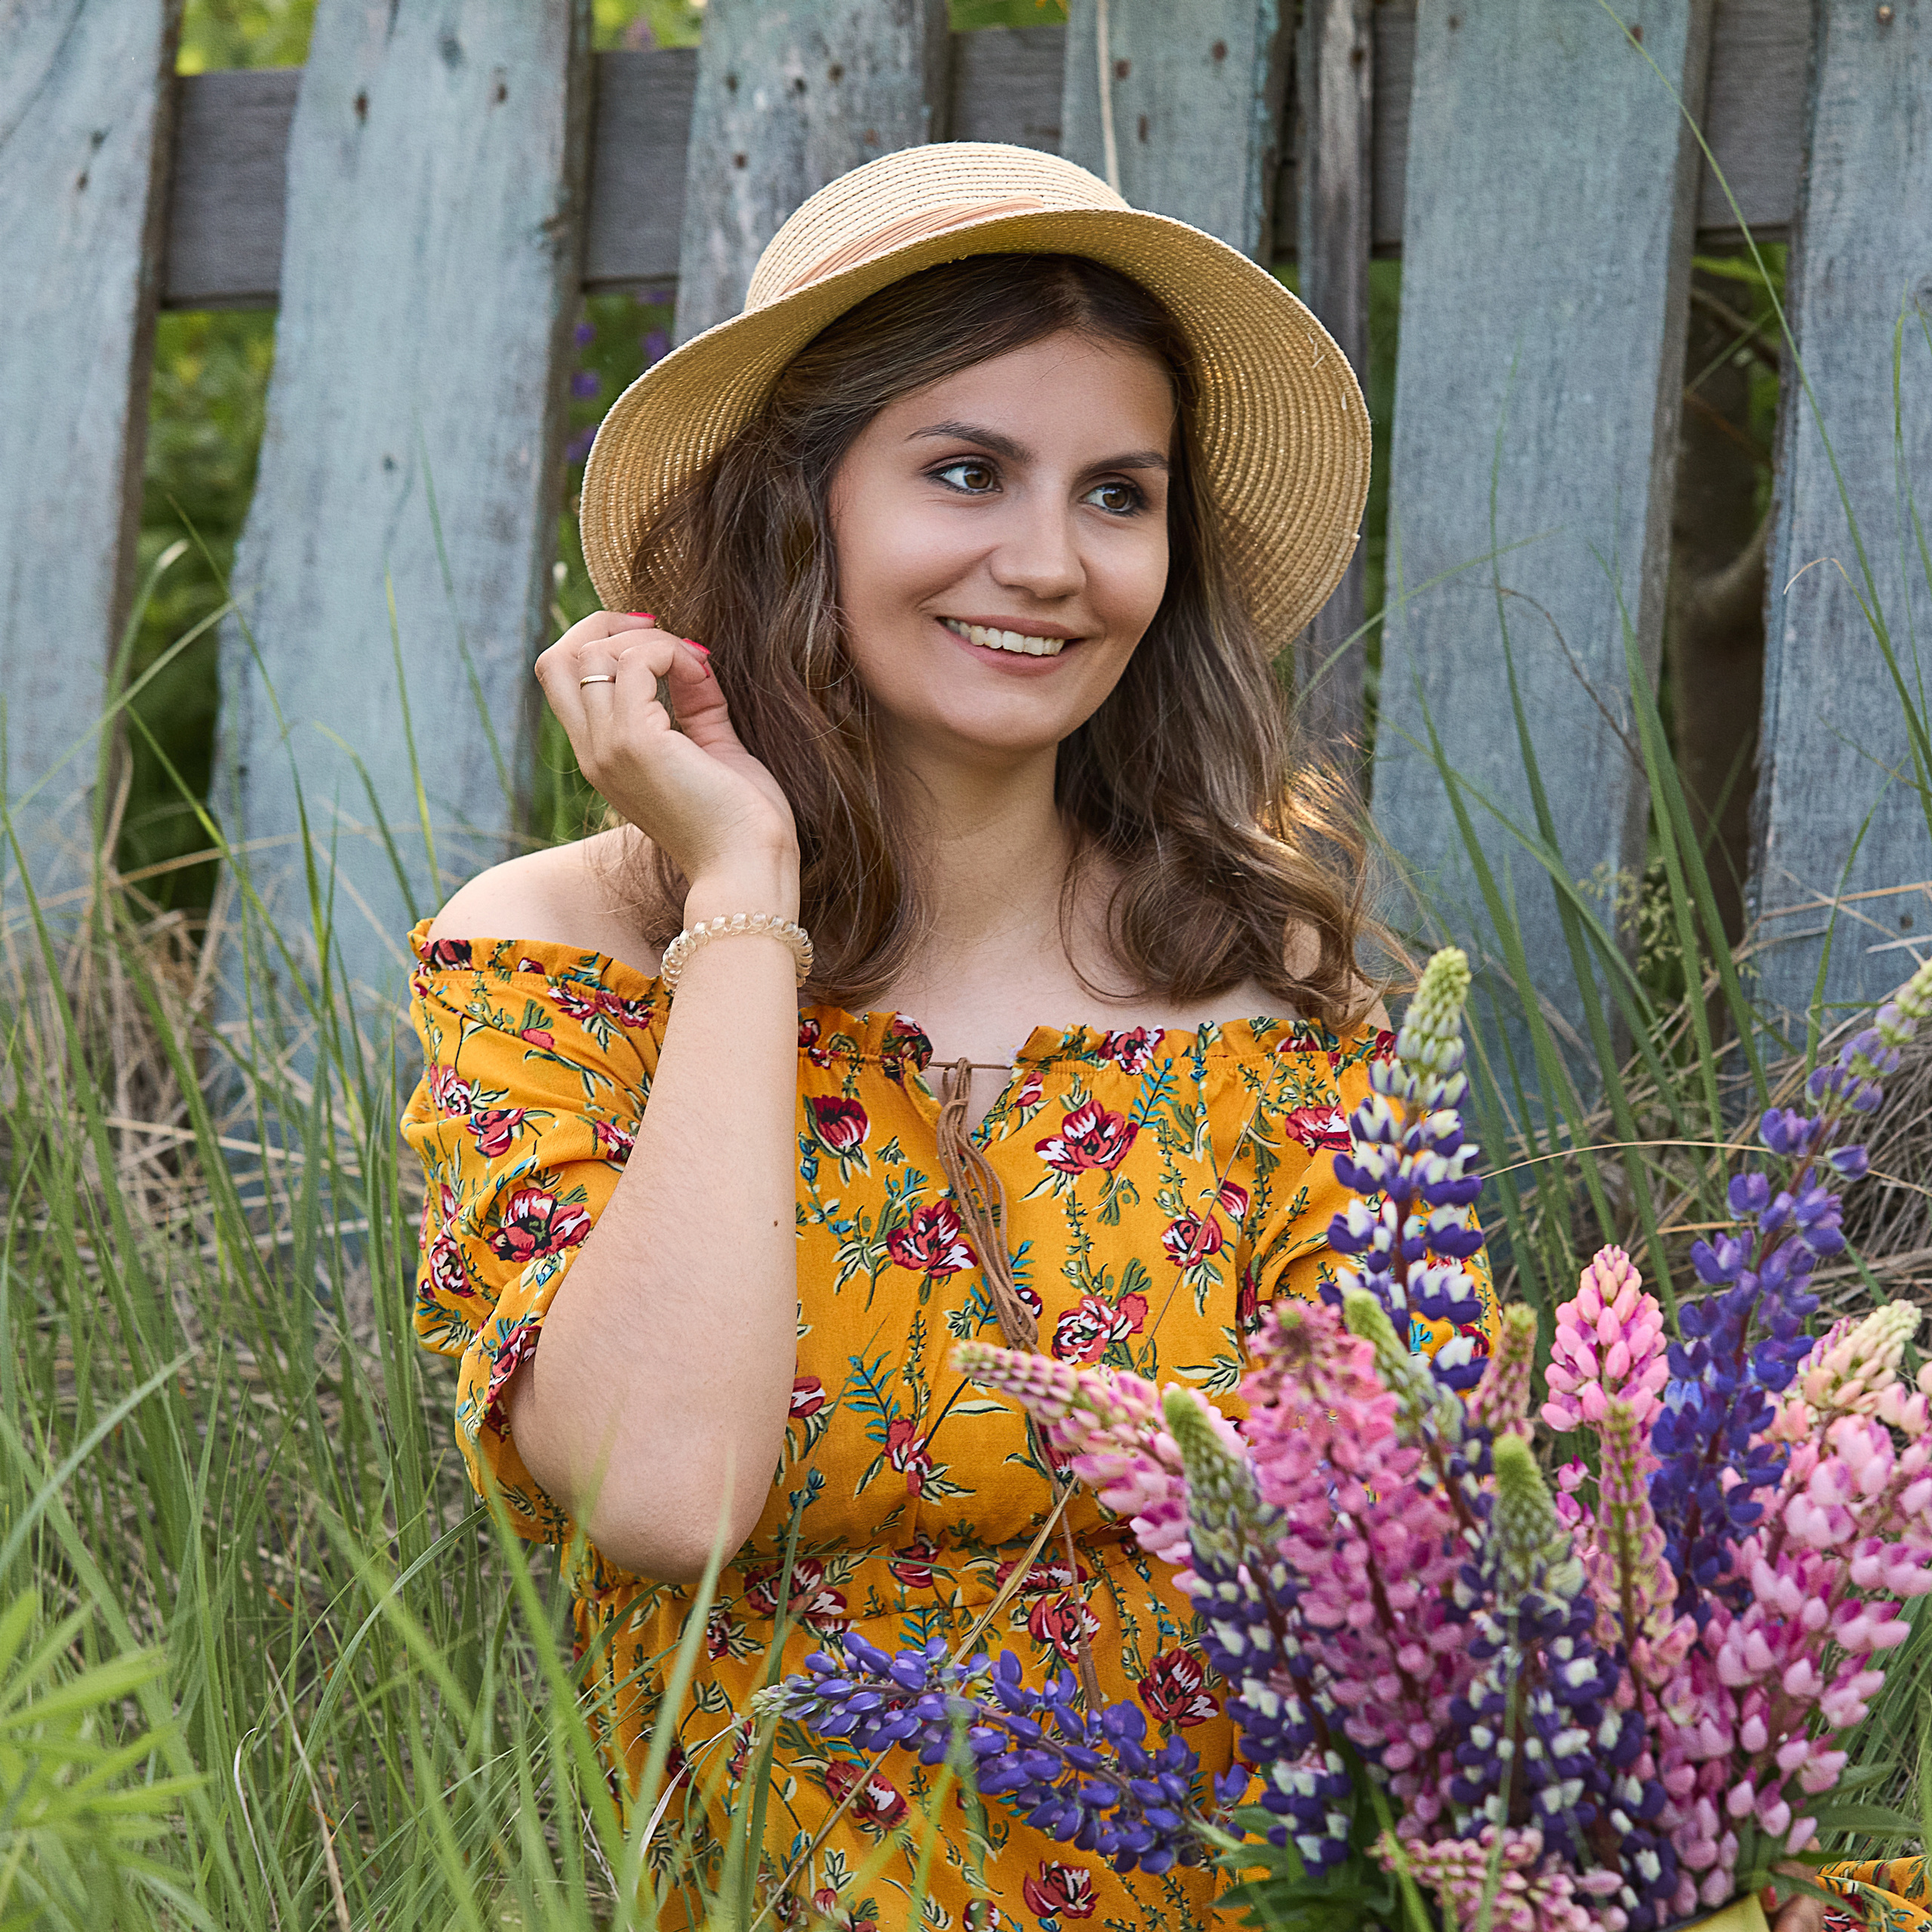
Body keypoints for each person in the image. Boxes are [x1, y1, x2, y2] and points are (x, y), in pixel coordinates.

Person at [403, 144, 1871, 1931]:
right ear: (800, 504)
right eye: (965, 472)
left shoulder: (1258, 979)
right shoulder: (570, 953)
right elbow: (665, 1493)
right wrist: (742, 893)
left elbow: (1411, 1572)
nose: (1046, 562)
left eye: (1116, 493)